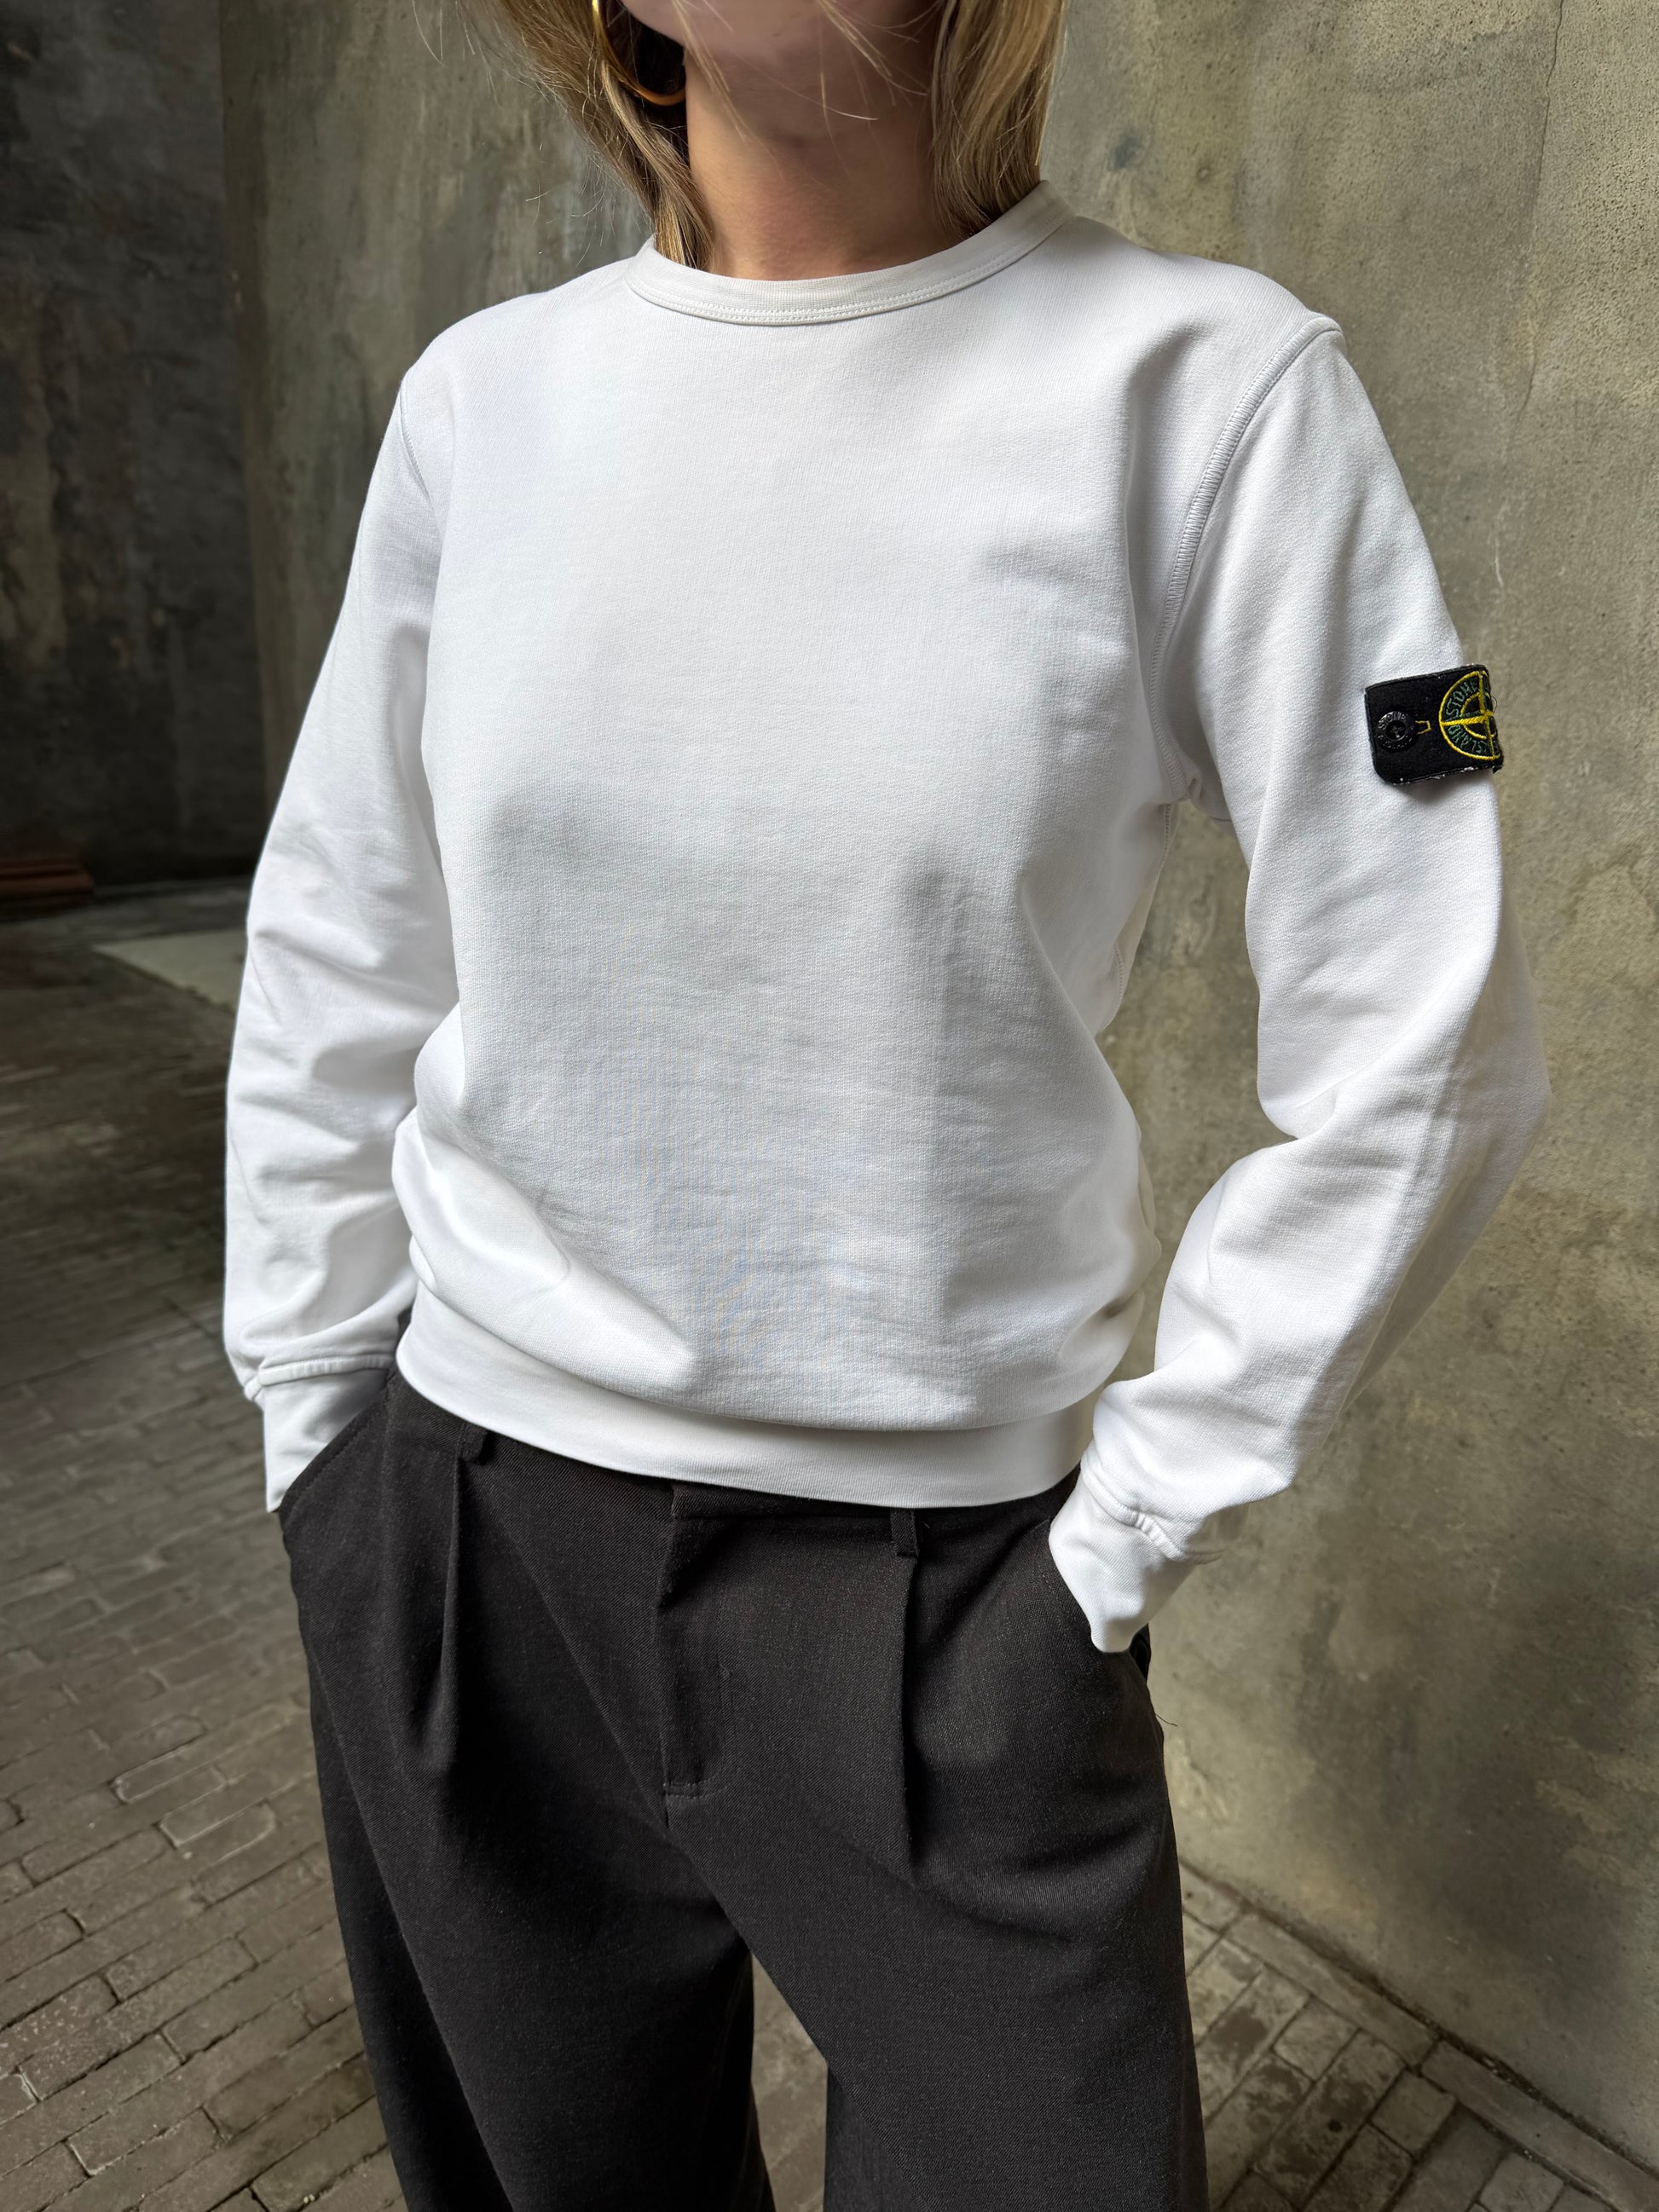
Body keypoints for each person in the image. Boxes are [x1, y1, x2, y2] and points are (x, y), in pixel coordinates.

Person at [222, 0, 1549, 2201]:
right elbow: (341, 941)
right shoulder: (482, 407)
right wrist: (317, 1441)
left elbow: (1432, 1038)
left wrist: (1116, 1546)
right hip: (467, 1544)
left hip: (950, 1617)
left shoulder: (1212, 393)